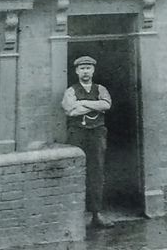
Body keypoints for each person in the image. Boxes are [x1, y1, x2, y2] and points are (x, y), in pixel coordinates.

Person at [61, 55, 114, 228]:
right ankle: (76, 216)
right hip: (78, 133)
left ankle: (96, 214)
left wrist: (82, 102)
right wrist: (93, 105)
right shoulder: (71, 90)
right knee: (76, 170)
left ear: (93, 70)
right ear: (77, 71)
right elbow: (70, 110)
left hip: (97, 133)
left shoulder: (101, 89)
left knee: (96, 171)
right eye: (82, 68)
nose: (85, 71)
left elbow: (106, 104)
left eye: (88, 68)